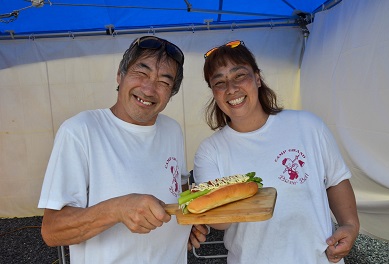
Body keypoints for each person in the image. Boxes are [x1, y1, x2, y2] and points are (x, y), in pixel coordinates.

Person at [38, 35, 207, 264]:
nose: (149, 89)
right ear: (120, 74)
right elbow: (52, 231)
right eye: (141, 73)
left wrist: (186, 224)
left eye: (164, 82)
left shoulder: (172, 130)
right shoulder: (80, 131)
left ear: (171, 93)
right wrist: (117, 209)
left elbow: (178, 187)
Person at [193, 40, 360, 263]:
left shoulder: (307, 125)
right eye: (219, 83)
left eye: (239, 75)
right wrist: (205, 207)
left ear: (258, 78)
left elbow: (336, 180)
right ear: (214, 93)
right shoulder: (209, 151)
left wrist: (350, 224)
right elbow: (220, 222)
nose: (231, 89)